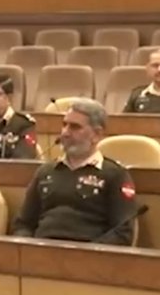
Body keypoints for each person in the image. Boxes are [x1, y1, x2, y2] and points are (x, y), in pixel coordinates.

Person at [13, 98, 138, 245]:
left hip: (89, 253)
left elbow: (123, 233)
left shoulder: (115, 175)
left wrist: (87, 253)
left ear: (96, 134)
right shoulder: (45, 172)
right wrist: (27, 247)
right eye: (64, 125)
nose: (65, 133)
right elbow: (23, 223)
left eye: (75, 127)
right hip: (41, 250)